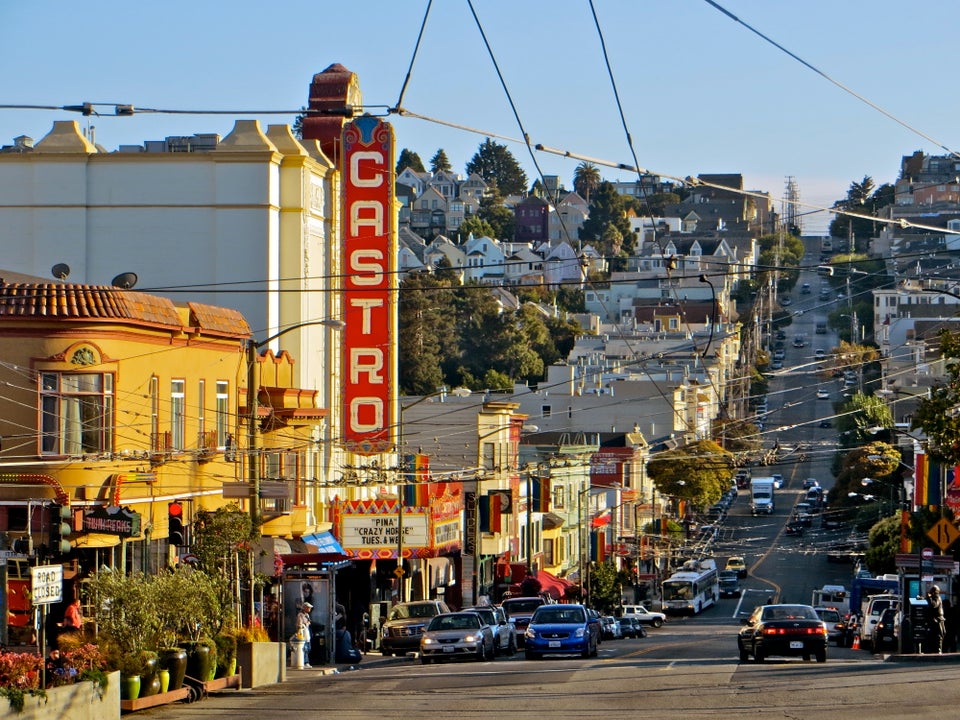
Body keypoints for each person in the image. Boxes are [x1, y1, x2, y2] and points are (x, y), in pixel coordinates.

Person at [926, 585, 946, 654]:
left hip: (938, 619)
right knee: (935, 635)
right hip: (936, 619)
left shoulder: (937, 597)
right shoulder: (934, 597)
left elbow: (933, 605)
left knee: (938, 635)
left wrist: (929, 598)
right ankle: (935, 649)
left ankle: (938, 650)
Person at [296, 601, 313, 667]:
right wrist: (306, 624)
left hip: (307, 632)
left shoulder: (307, 615)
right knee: (304, 648)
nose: (310, 609)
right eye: (308, 608)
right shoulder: (300, 615)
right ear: (305, 608)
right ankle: (305, 662)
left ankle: (305, 661)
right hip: (303, 633)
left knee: (308, 648)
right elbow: (299, 625)